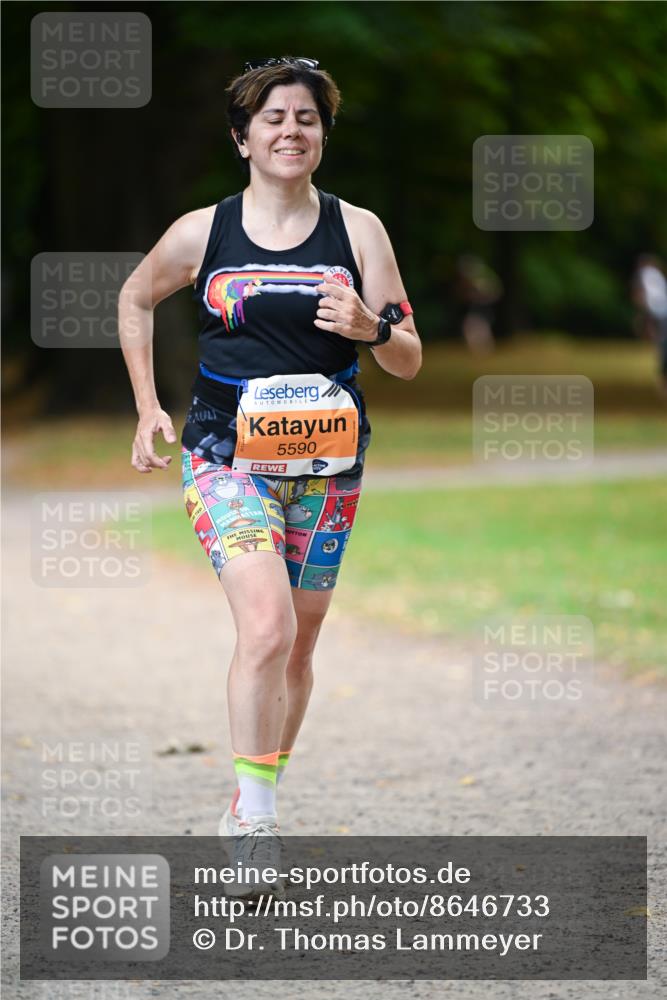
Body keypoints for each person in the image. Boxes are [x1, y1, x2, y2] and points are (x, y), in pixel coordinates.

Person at [118, 56, 421, 894]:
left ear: (322, 136)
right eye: (274, 119)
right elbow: (135, 298)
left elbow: (408, 358)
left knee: (301, 643)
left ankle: (249, 792)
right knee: (267, 627)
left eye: (307, 119)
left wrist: (369, 326)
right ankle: (256, 821)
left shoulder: (358, 232)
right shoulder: (201, 232)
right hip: (224, 461)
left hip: (327, 474)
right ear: (242, 136)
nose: (291, 131)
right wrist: (147, 405)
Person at [631, 253, 667, 394]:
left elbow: (640, 297)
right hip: (660, 314)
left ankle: (663, 378)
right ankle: (663, 378)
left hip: (658, 314)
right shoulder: (653, 274)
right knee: (663, 345)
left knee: (662, 345)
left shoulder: (646, 274)